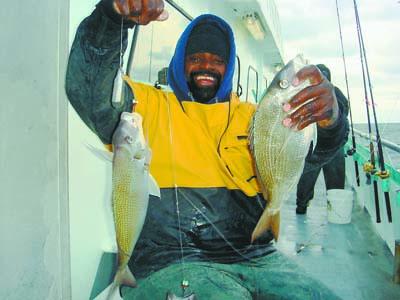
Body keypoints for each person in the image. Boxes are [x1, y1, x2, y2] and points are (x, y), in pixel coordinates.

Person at [66, 1, 348, 298]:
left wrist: (332, 121)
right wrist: (110, 19)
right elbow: (88, 89)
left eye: (217, 60)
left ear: (229, 67)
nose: (206, 67)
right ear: (179, 61)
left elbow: (313, 155)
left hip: (260, 258)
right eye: (196, 57)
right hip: (168, 262)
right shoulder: (145, 105)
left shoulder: (261, 116)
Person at [296, 64, 350, 215]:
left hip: (331, 147)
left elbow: (342, 117)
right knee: (307, 179)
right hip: (314, 145)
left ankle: (334, 210)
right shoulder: (307, 94)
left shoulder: (335, 94)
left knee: (334, 184)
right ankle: (302, 205)